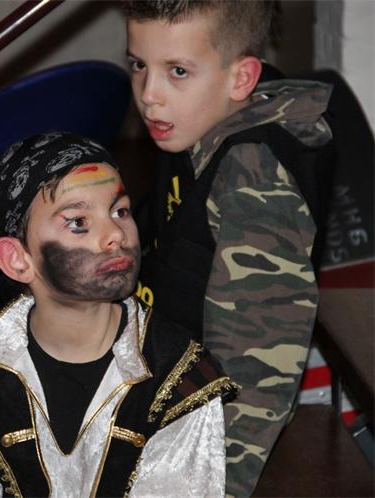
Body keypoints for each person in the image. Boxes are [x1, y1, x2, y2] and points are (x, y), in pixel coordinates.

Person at [0, 131, 238, 497]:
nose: (115, 234)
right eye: (78, 222)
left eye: (120, 211)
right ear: (17, 259)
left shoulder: (179, 377)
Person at [121, 1, 334, 496]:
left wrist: (213, 487)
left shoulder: (253, 185)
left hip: (201, 429)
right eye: (138, 65)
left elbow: (256, 375)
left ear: (242, 79)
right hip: (163, 375)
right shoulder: (196, 120)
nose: (149, 95)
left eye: (177, 71)